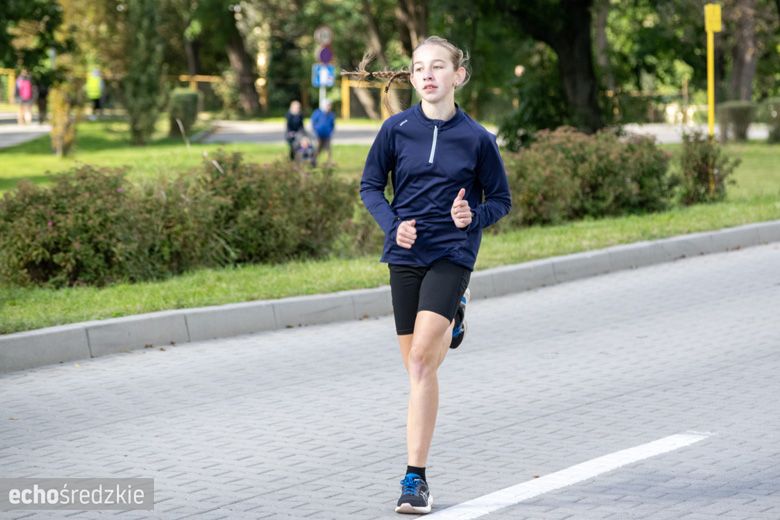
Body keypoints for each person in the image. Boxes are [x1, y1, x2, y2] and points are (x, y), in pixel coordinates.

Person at [359, 36, 512, 514]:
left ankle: (415, 479)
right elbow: (370, 186)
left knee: (423, 361)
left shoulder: (478, 138)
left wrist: (473, 217)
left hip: (452, 253)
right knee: (416, 366)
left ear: (458, 76)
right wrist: (393, 225)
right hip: (405, 255)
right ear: (412, 77)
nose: (428, 74)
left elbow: (500, 200)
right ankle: (454, 317)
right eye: (420, 67)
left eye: (438, 66)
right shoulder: (395, 129)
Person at [311, 99, 335, 166]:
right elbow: (313, 122)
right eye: (328, 105)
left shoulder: (331, 114)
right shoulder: (317, 113)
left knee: (328, 149)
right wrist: (315, 131)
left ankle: (329, 163)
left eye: (330, 105)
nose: (329, 107)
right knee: (318, 148)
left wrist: (330, 131)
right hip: (318, 134)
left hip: (327, 135)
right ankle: (313, 161)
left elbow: (332, 124)